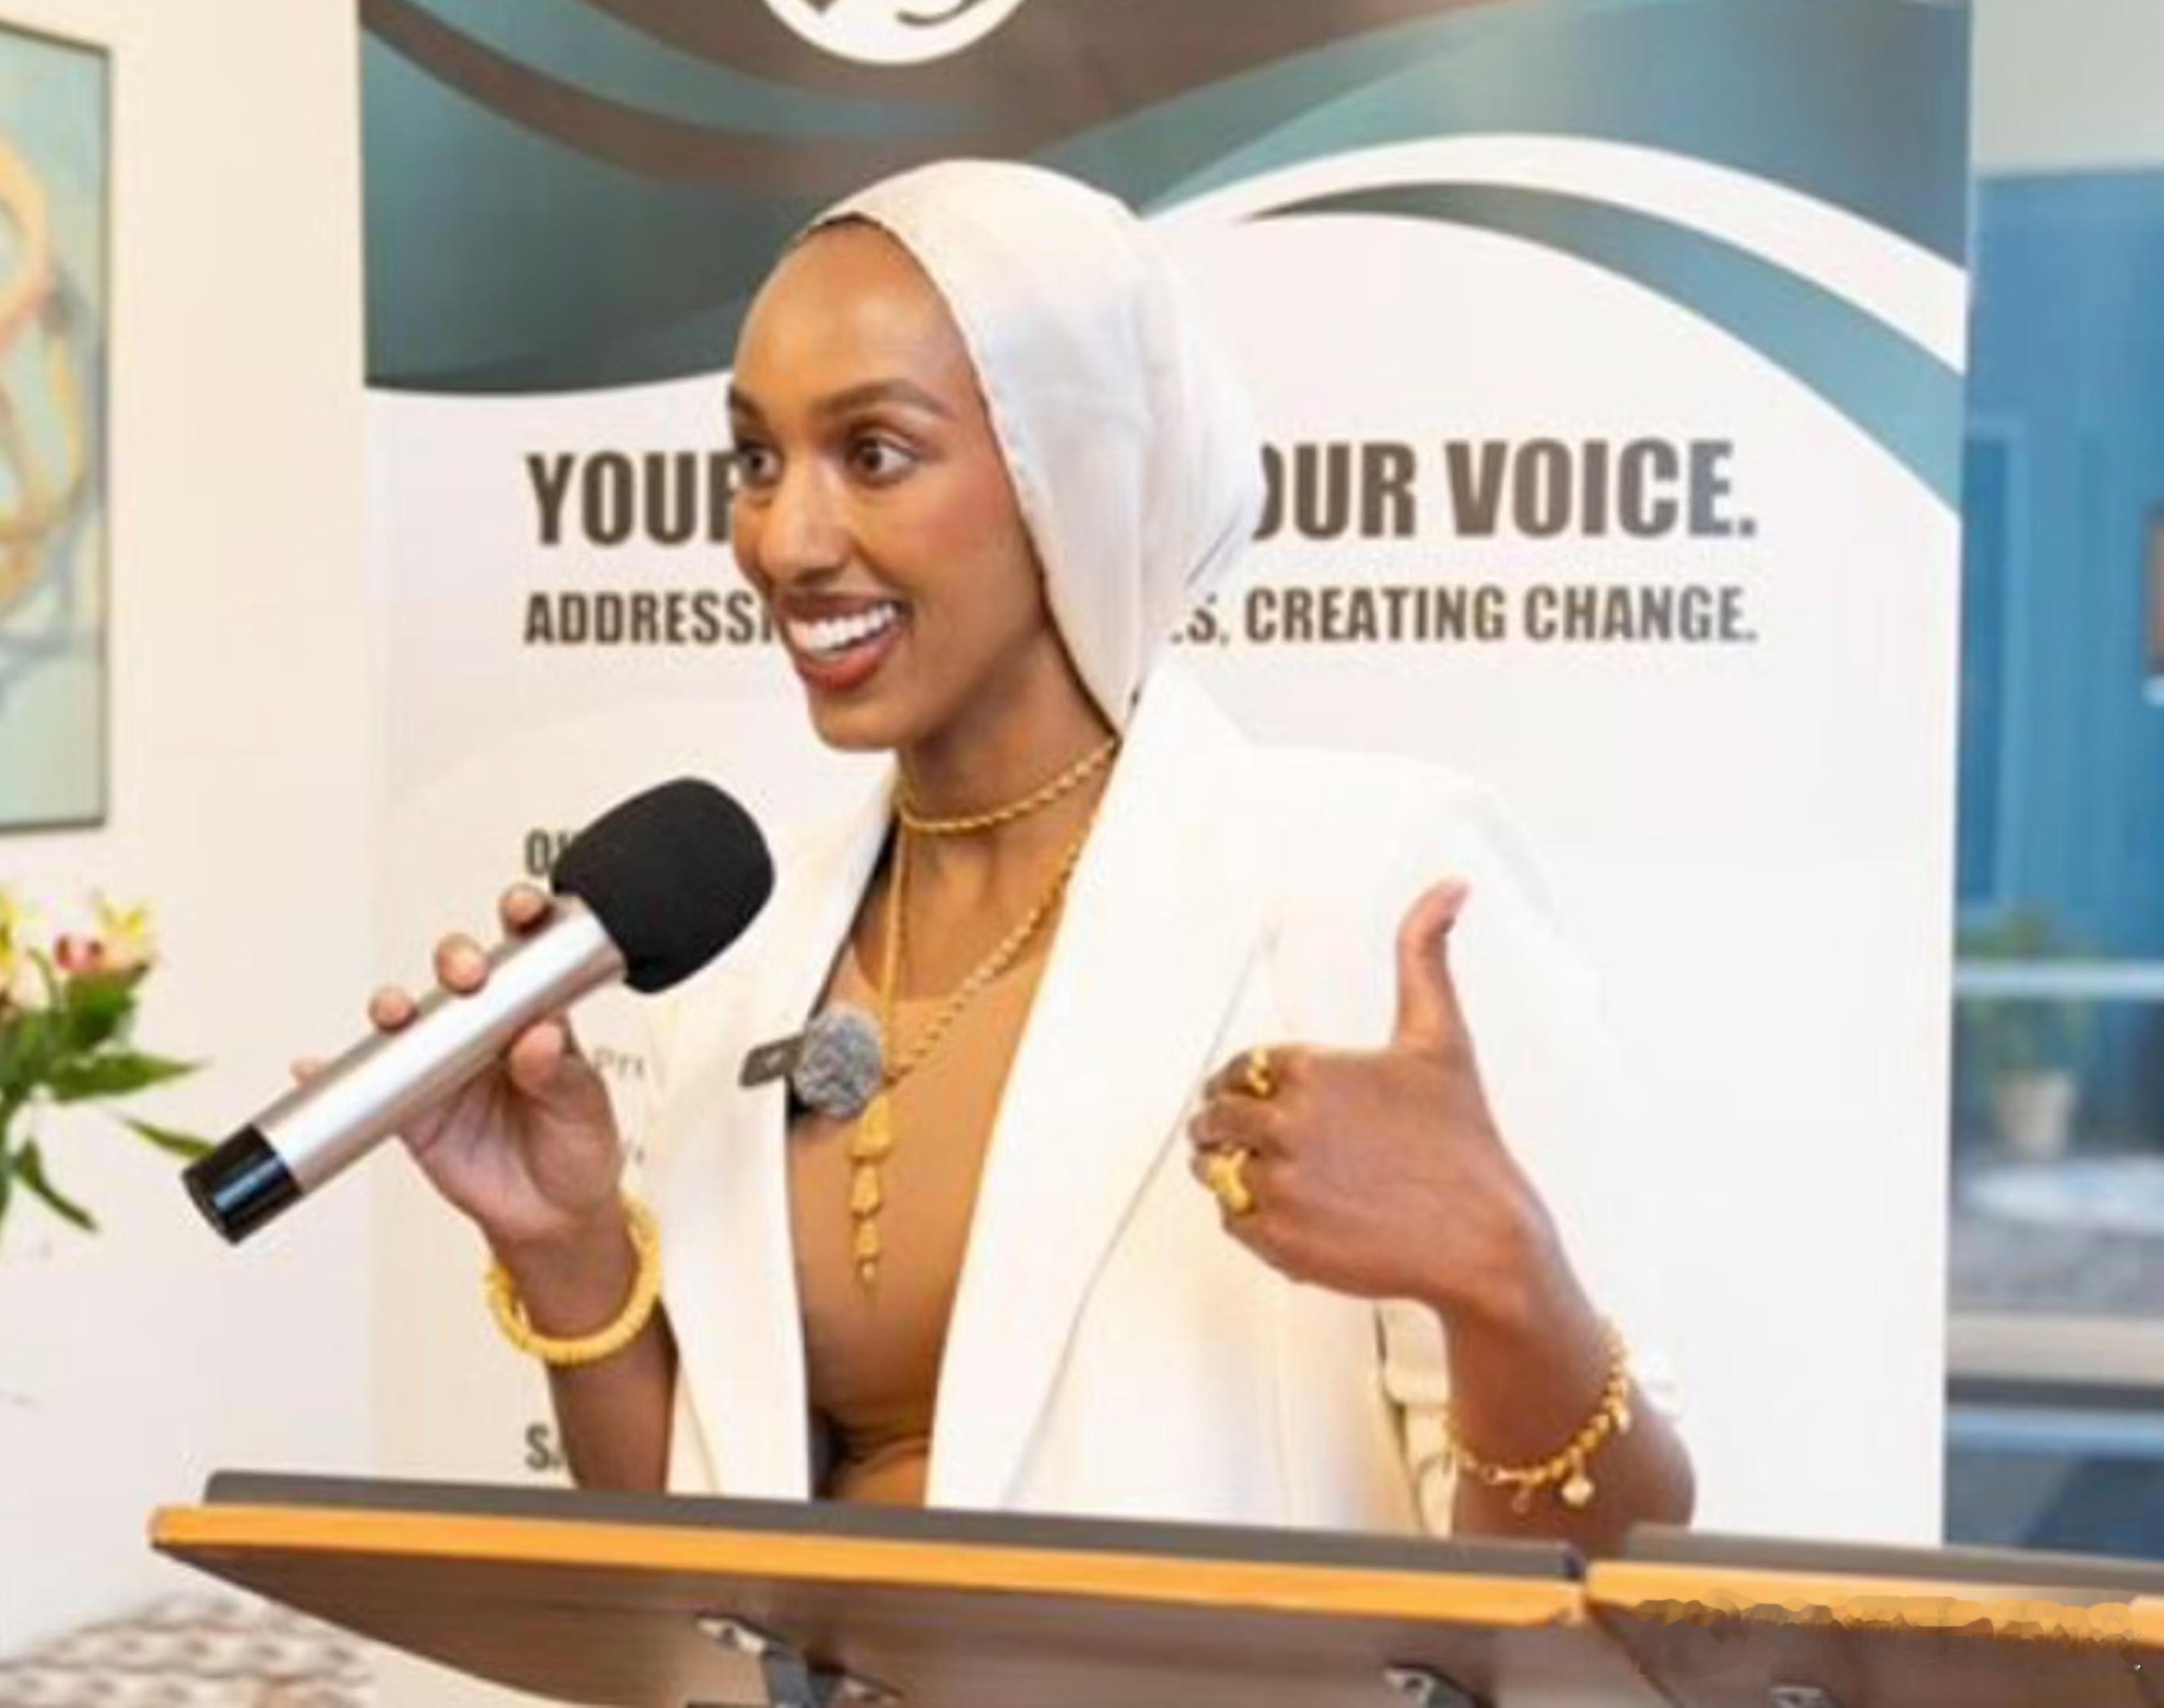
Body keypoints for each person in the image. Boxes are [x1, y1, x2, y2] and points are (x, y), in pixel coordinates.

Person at [358, 159, 1696, 1543]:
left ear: (1074, 472)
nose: (786, 540)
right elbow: (698, 1559)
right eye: (756, 461)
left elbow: (1613, 1562)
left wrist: (1504, 1280)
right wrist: (565, 1244)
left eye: (874, 453)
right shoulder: (750, 956)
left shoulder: (1366, 884)